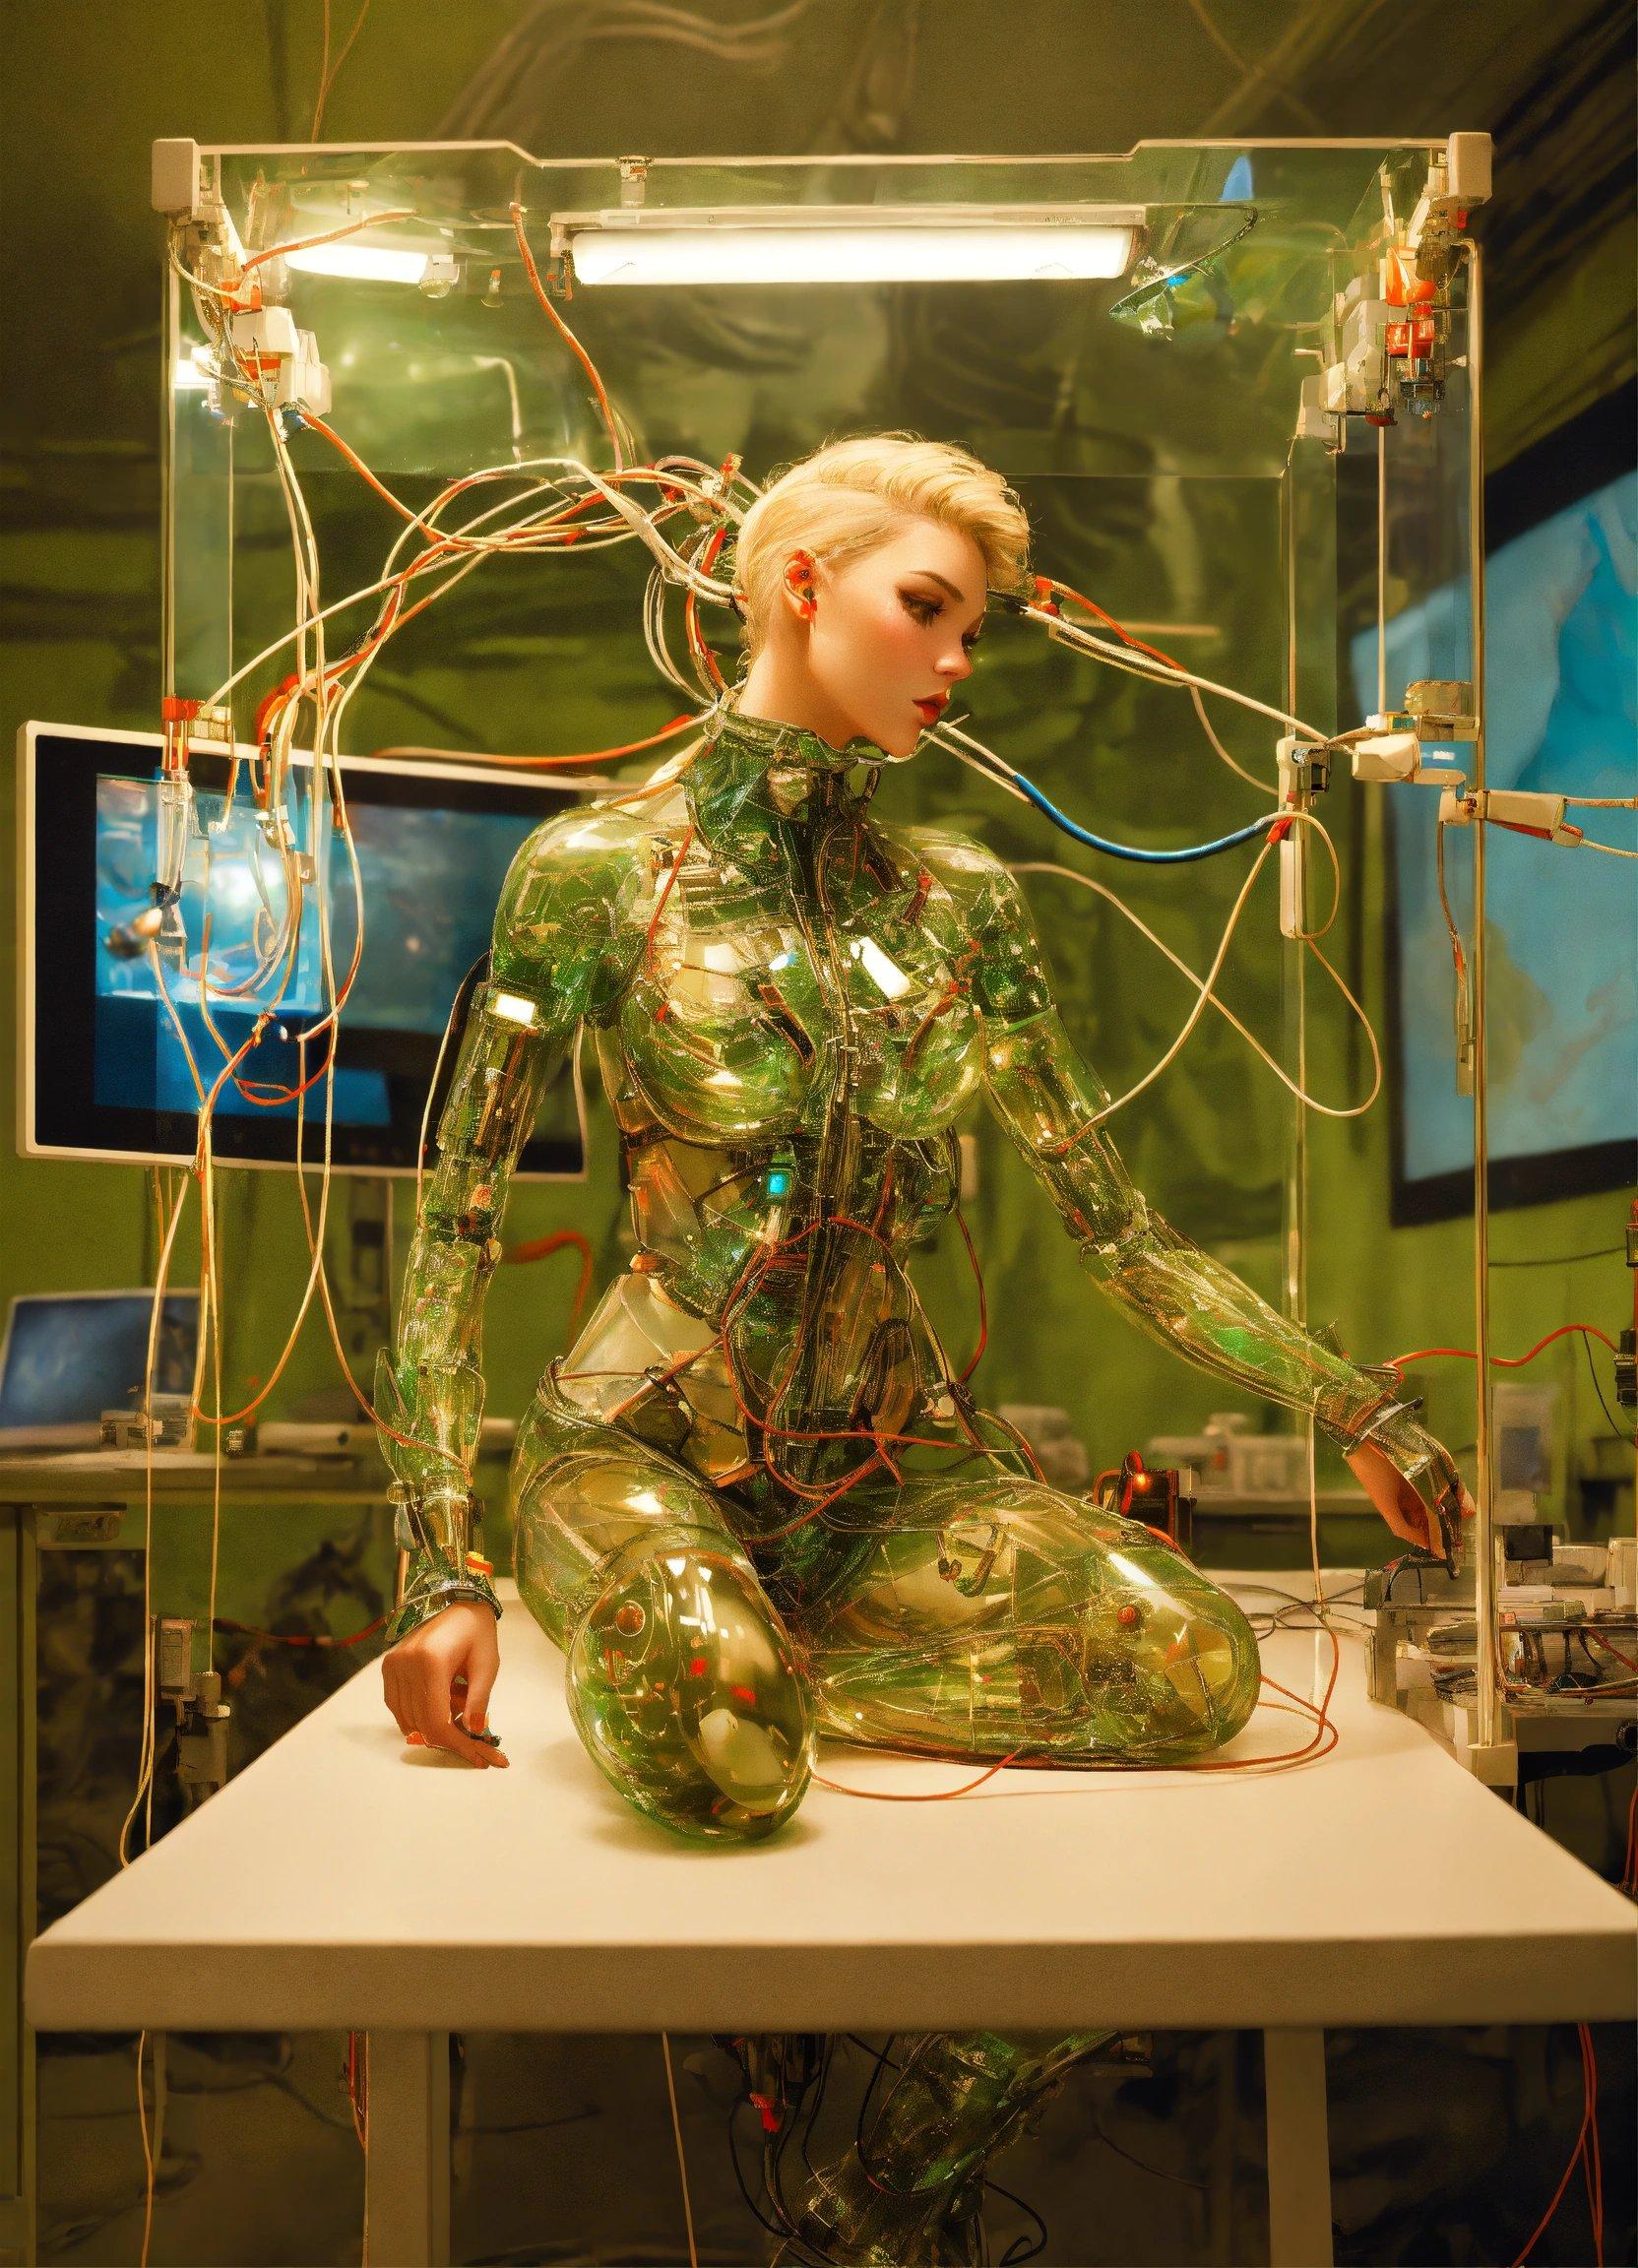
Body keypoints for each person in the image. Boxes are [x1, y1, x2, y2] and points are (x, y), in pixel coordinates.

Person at [375, 431, 1471, 2259]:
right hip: (637, 1454)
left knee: (1194, 1674)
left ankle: (894, 2170)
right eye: (932, 609)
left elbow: (1113, 1226)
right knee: (726, 1760)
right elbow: (456, 1230)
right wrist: (447, 1560)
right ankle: (727, 1672)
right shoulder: (594, 876)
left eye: (978, 627)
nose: (960, 661)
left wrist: (1350, 1397)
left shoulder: (965, 902)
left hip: (891, 1478)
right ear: (804, 585)